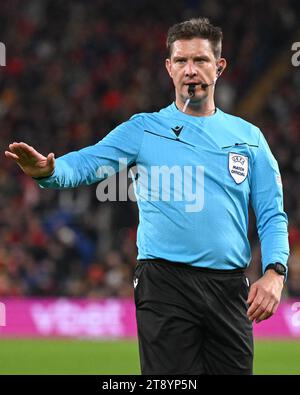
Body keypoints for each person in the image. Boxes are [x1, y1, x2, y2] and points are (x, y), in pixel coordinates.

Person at [5, 18, 289, 375]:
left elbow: (271, 213)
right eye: (182, 61)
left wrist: (275, 271)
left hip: (229, 288)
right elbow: (90, 162)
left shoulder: (250, 138)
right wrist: (49, 171)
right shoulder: (143, 129)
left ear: (219, 67)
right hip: (164, 284)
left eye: (200, 60)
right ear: (169, 68)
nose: (191, 70)